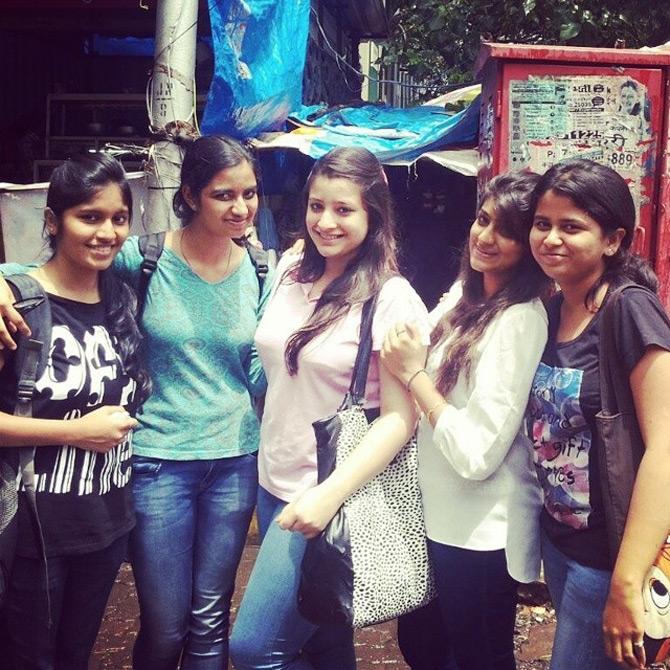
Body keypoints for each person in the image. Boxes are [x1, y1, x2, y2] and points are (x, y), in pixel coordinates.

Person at [0, 135, 270, 670]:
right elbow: (46, 272)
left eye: (250, 194)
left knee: (210, 620)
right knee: (166, 626)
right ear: (190, 195)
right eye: (224, 195)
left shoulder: (264, 268)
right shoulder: (140, 257)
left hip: (235, 458)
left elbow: (261, 367)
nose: (240, 208)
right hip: (155, 462)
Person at [228, 146, 429, 670]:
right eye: (317, 206)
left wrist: (326, 497)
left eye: (344, 210)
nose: (326, 221)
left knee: (255, 651)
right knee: (322, 640)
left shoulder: (391, 298)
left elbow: (400, 418)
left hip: (327, 496)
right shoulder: (293, 266)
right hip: (273, 480)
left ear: (373, 215)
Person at [382, 172, 551, 670]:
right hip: (434, 515)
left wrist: (415, 376)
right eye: (483, 219)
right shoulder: (464, 294)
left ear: (528, 247)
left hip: (480, 533)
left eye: (506, 231)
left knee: (477, 658)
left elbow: (477, 455)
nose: (485, 237)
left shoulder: (519, 319)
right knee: (423, 647)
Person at [0, 154, 148, 669]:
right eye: (89, 216)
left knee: (75, 656)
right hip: (36, 530)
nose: (107, 231)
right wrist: (75, 431)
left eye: (118, 218)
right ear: (52, 220)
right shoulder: (18, 307)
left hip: (107, 523)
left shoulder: (122, 302)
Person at [526, 158, 670, 670]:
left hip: (609, 557)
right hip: (560, 544)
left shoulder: (629, 310)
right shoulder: (549, 308)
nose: (551, 239)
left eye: (572, 227)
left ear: (612, 240)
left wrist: (627, 580)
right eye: (543, 224)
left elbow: (665, 449)